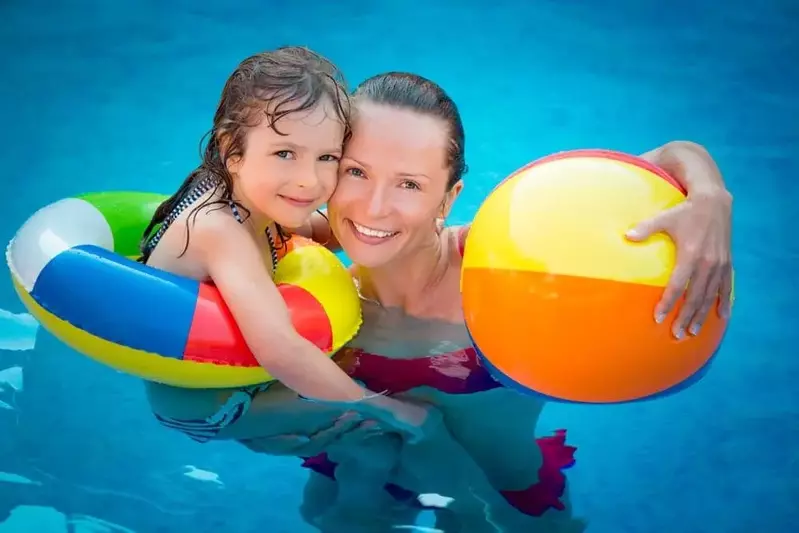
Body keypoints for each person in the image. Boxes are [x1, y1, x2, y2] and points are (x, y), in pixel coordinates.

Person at [284, 72, 734, 531]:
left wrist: (711, 196)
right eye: (355, 172)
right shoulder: (312, 299)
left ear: (448, 199)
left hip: (506, 500)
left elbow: (657, 164)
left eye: (410, 184)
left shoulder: (510, 262)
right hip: (355, 483)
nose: (374, 207)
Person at [138, 48, 437, 444]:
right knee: (381, 432)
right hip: (213, 404)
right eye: (285, 154)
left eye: (327, 157)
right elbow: (281, 352)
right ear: (232, 150)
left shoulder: (258, 198)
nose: (308, 181)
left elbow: (330, 233)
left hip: (240, 382)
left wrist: (404, 224)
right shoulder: (218, 230)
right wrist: (388, 408)